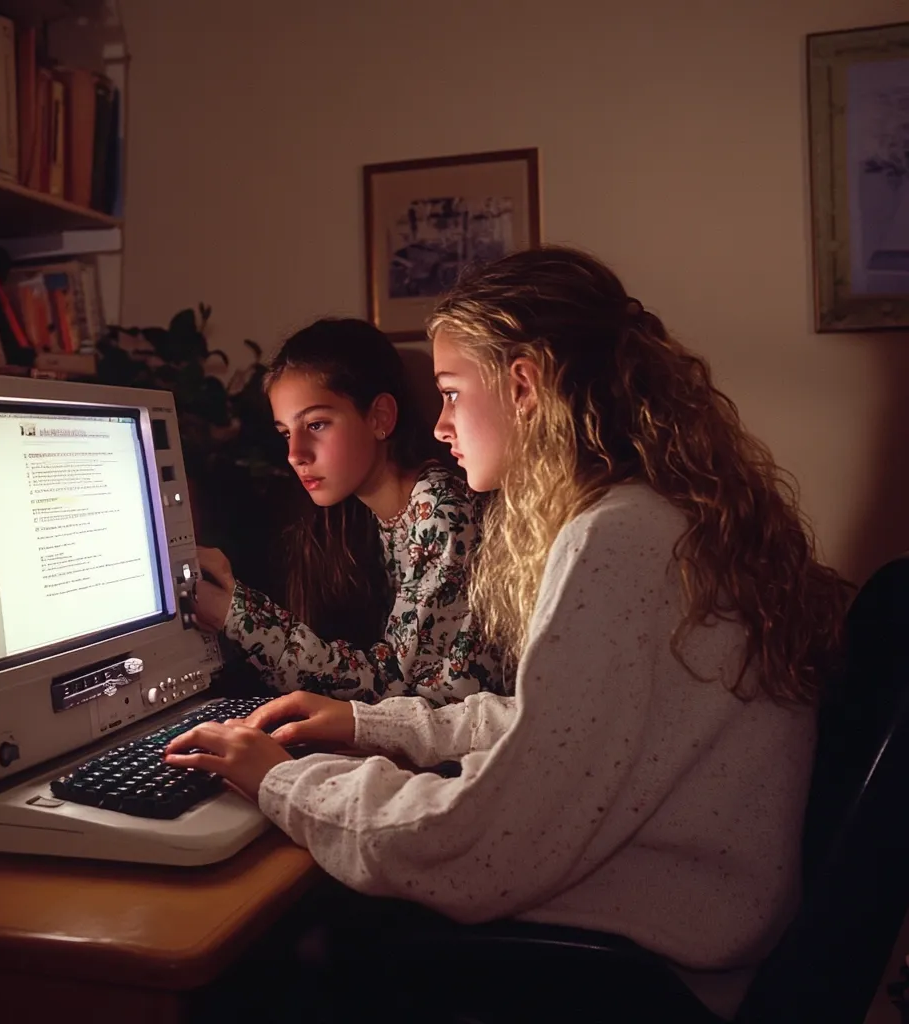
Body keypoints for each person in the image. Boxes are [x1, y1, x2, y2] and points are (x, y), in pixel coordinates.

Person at [167, 249, 849, 1020]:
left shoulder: (618, 538)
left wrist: (280, 780)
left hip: (651, 974)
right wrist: (365, 722)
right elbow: (561, 722)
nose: (441, 423)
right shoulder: (656, 514)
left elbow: (483, 847)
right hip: (700, 930)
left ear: (523, 385)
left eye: (454, 393)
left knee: (273, 964)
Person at [192, 317, 504, 705]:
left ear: (380, 417)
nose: (295, 454)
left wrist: (235, 614)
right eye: (286, 433)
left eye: (317, 424)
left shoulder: (440, 510)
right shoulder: (353, 518)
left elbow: (389, 687)